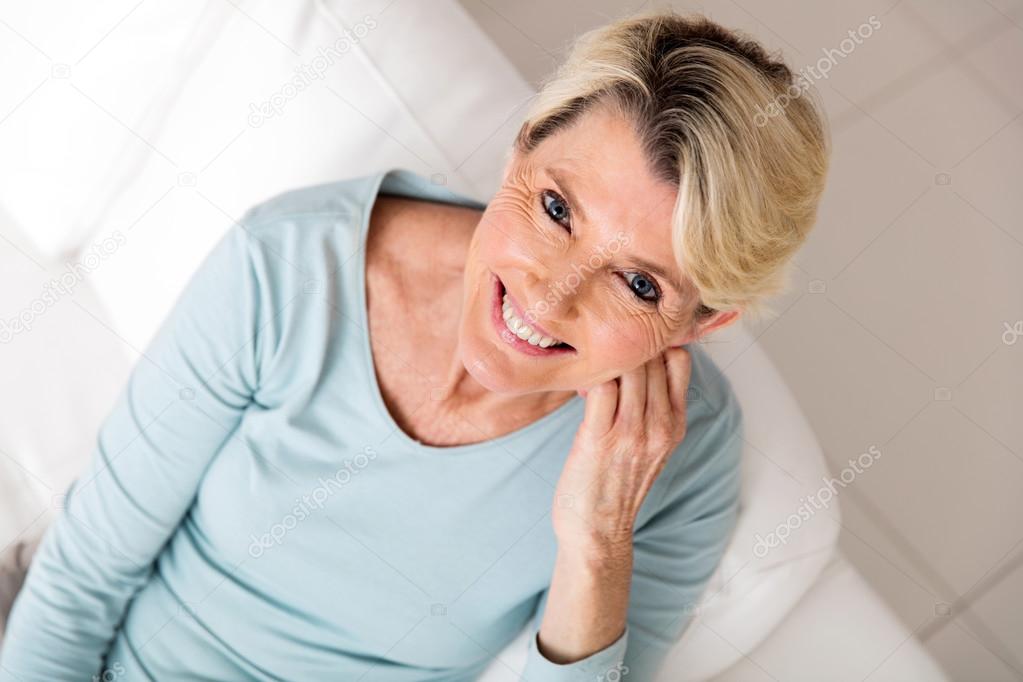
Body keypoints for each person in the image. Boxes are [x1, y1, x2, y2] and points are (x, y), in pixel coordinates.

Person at [0, 9, 829, 681]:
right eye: (554, 208)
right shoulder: (290, 266)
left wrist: (596, 545)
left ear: (703, 323)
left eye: (639, 284)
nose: (547, 294)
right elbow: (80, 579)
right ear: (523, 146)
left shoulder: (678, 462)